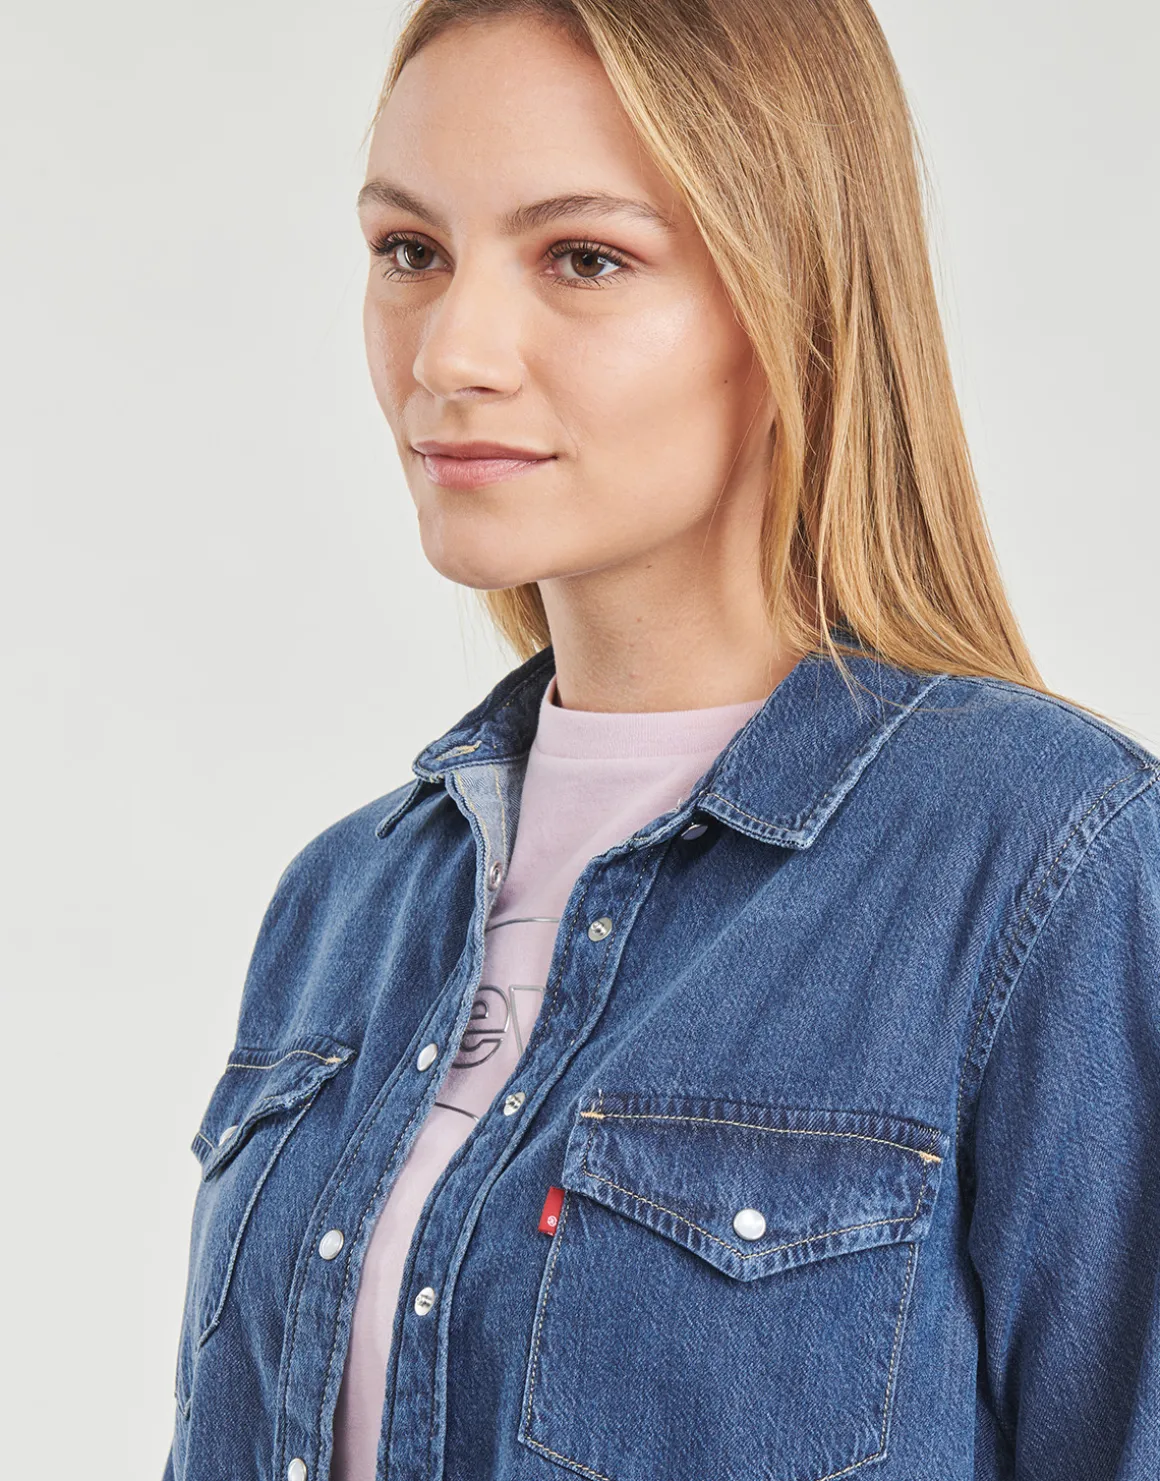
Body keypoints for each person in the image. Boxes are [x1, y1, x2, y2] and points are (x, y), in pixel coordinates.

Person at [163, 2, 1160, 1479]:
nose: (452, 351)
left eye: (584, 258)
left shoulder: (1045, 869)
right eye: (410, 250)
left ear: (794, 300)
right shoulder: (341, 908)